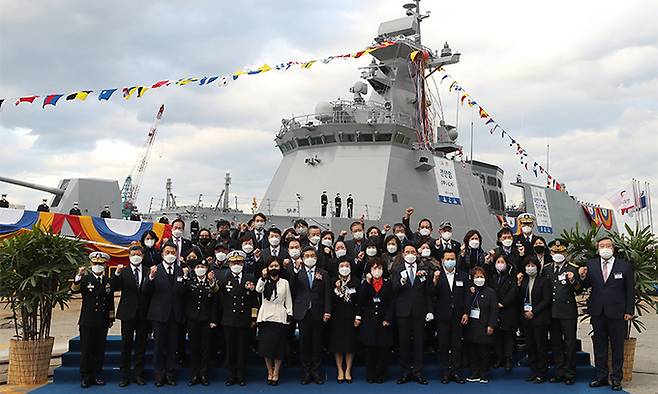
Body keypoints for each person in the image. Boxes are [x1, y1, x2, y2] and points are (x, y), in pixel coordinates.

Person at [578, 237, 634, 391]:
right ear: (597, 248)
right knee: (600, 346)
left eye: (607, 245)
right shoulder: (591, 264)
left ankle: (616, 379)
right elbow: (585, 285)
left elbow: (630, 290)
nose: (605, 248)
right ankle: (601, 376)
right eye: (601, 246)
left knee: (617, 347)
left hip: (618, 313)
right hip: (598, 312)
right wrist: (582, 276)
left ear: (613, 248)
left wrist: (629, 311)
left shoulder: (625, 266)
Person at [144, 242, 186, 387]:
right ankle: (159, 375)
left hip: (175, 315)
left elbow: (183, 293)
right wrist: (150, 277)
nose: (170, 255)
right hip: (159, 315)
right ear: (162, 254)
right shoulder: (155, 269)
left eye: (173, 252)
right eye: (167, 252)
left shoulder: (181, 271)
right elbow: (145, 290)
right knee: (159, 346)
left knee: (172, 346)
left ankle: (170, 373)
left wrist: (186, 280)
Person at [289, 247, 332, 384]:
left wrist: (327, 311)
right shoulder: (298, 273)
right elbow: (292, 289)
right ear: (302, 257)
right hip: (303, 313)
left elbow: (327, 294)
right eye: (306, 255)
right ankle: (306, 372)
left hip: (318, 313)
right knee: (304, 344)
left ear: (316, 257)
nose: (310, 257)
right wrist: (295, 271)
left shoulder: (323, 273)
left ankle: (316, 371)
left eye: (312, 255)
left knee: (317, 343)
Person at [391, 244, 433, 385]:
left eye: (413, 252)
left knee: (419, 343)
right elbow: (394, 290)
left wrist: (429, 310)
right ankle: (404, 372)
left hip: (419, 312)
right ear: (403, 254)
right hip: (403, 312)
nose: (410, 254)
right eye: (407, 252)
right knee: (403, 343)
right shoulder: (397, 270)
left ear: (417, 254)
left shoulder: (424, 269)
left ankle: (418, 372)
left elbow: (428, 293)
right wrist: (402, 282)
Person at [72, 252, 114, 389]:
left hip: (102, 321)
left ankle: (96, 374)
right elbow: (74, 290)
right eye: (95, 264)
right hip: (87, 320)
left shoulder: (108, 281)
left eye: (101, 264)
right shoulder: (85, 279)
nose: (98, 266)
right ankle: (85, 376)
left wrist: (110, 317)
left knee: (99, 349)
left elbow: (110, 301)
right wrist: (78, 276)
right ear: (91, 264)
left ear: (105, 265)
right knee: (86, 349)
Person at [217, 251, 258, 386]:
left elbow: (254, 302)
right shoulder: (224, 278)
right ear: (229, 264)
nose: (236, 265)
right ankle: (231, 375)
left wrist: (253, 318)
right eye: (234, 263)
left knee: (242, 349)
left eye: (239, 262)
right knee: (230, 349)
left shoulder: (250, 278)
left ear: (243, 263)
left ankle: (241, 375)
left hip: (244, 320)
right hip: (229, 320)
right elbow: (217, 293)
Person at [112, 246, 151, 387]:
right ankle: (124, 376)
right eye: (133, 254)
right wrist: (116, 274)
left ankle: (139, 375)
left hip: (143, 314)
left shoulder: (148, 270)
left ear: (142, 256)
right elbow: (114, 287)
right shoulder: (124, 271)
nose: (136, 256)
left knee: (141, 346)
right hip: (128, 313)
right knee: (126, 345)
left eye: (138, 254)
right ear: (129, 256)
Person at [544, 239, 580, 385]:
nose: (558, 254)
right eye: (555, 252)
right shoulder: (547, 268)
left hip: (568, 312)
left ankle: (569, 373)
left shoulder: (573, 268)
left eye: (561, 252)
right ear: (551, 253)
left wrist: (572, 280)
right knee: (556, 343)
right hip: (552, 312)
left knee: (570, 343)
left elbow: (579, 289)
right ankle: (559, 372)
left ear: (566, 253)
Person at [432, 250, 469, 384]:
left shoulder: (463, 276)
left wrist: (466, 312)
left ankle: (455, 371)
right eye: (447, 259)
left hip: (458, 316)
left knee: (456, 345)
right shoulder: (437, 275)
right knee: (443, 345)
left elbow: (466, 296)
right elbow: (431, 294)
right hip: (442, 316)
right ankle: (445, 372)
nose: (450, 261)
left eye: (452, 258)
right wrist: (435, 281)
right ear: (442, 260)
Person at [256, 258, 293, 386]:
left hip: (280, 317)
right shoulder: (263, 281)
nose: (274, 268)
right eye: (271, 266)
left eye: (276, 265)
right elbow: (258, 289)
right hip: (266, 316)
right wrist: (263, 276)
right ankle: (269, 371)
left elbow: (288, 299)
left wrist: (290, 313)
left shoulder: (285, 282)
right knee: (266, 347)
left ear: (280, 268)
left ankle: (276, 372)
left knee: (278, 348)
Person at [517, 256, 552, 383]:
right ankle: (534, 371)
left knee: (540, 346)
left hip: (540, 318)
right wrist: (518, 284)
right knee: (530, 346)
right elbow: (519, 299)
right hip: (526, 319)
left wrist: (534, 312)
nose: (530, 268)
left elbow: (546, 300)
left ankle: (542, 373)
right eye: (528, 266)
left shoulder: (544, 281)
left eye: (533, 265)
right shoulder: (524, 281)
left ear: (538, 266)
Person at [184, 259, 218, 386]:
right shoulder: (190, 282)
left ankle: (203, 374)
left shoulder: (211, 284)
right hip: (192, 320)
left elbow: (214, 303)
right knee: (194, 348)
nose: (200, 268)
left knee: (205, 348)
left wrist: (213, 319)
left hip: (206, 320)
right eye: (198, 266)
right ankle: (194, 374)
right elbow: (184, 299)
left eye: (203, 266)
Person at [359, 259, 394, 383]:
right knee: (370, 350)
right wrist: (367, 283)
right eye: (374, 268)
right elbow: (361, 299)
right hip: (369, 321)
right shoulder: (366, 283)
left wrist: (388, 319)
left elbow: (391, 303)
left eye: (379, 268)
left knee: (382, 350)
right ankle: (370, 375)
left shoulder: (388, 283)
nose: (377, 271)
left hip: (383, 321)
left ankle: (381, 375)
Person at [329, 260, 360, 384]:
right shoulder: (333, 281)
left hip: (351, 316)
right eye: (342, 266)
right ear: (337, 268)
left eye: (347, 266)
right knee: (338, 345)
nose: (344, 268)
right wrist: (337, 289)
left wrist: (358, 316)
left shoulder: (356, 281)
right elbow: (330, 300)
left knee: (349, 345)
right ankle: (339, 370)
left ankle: (348, 370)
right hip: (337, 317)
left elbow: (359, 301)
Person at [465, 266, 497, 384]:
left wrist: (491, 325)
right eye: (476, 277)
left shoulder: (490, 292)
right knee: (473, 352)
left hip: (485, 326)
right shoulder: (470, 291)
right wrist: (471, 292)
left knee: (484, 352)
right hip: (472, 326)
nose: (479, 279)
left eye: (481, 276)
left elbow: (494, 310)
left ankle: (484, 374)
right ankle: (474, 373)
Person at [490, 254, 518, 372]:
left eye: (503, 262)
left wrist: (503, 303)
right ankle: (499, 358)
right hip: (494, 311)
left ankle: (508, 359)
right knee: (497, 337)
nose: (500, 264)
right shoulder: (492, 277)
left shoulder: (512, 278)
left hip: (508, 311)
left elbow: (513, 292)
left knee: (508, 336)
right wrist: (494, 304)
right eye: (498, 262)